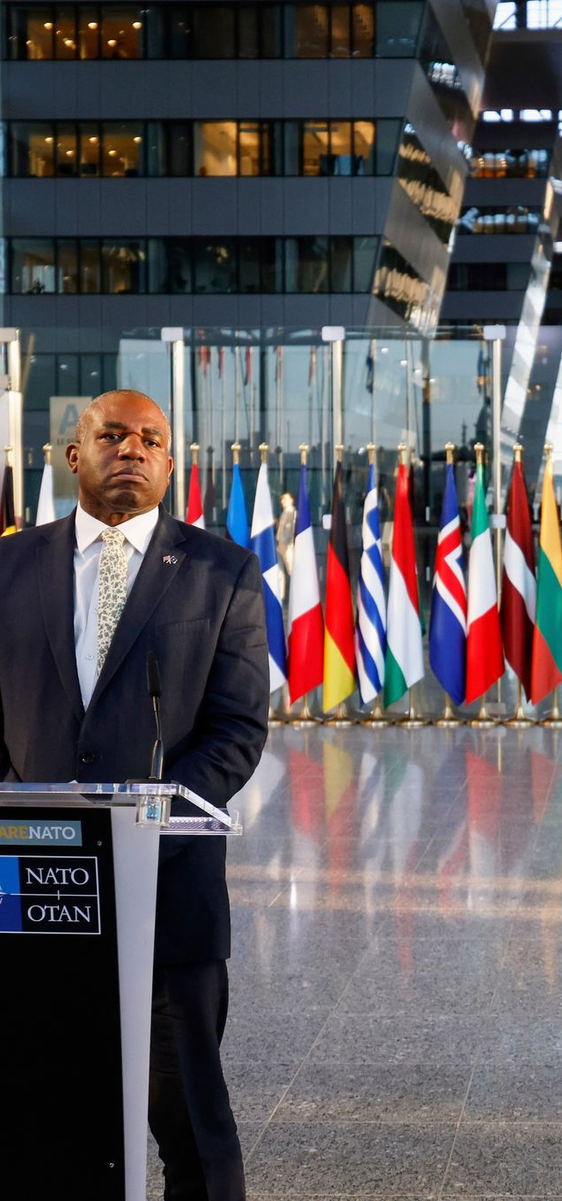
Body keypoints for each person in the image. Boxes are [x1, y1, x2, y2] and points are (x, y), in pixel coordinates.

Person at [0, 389, 269, 1201]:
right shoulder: (9, 565)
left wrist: (142, 826)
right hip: (35, 890)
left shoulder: (223, 571)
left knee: (192, 1124)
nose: (132, 449)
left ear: (170, 463)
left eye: (151, 438)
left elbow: (236, 729)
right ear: (73, 455)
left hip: (170, 890)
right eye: (112, 434)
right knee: (44, 1114)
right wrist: (23, 816)